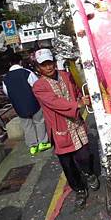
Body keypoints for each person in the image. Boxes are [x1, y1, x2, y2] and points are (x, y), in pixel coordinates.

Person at [32, 49, 99, 209]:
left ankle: (89, 173)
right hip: (59, 128)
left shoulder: (65, 75)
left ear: (54, 62)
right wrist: (77, 104)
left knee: (84, 155)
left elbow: (76, 89)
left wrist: (81, 97)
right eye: (44, 65)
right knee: (68, 164)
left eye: (50, 63)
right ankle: (79, 189)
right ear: (38, 68)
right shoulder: (39, 86)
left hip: (75, 123)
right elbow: (54, 102)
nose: (48, 67)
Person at [2, 54, 51, 156]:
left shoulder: (5, 78)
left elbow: (7, 93)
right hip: (34, 103)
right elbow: (37, 86)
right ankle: (43, 143)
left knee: (27, 126)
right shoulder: (27, 72)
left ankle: (33, 146)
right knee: (39, 122)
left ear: (10, 64)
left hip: (19, 107)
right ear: (20, 62)